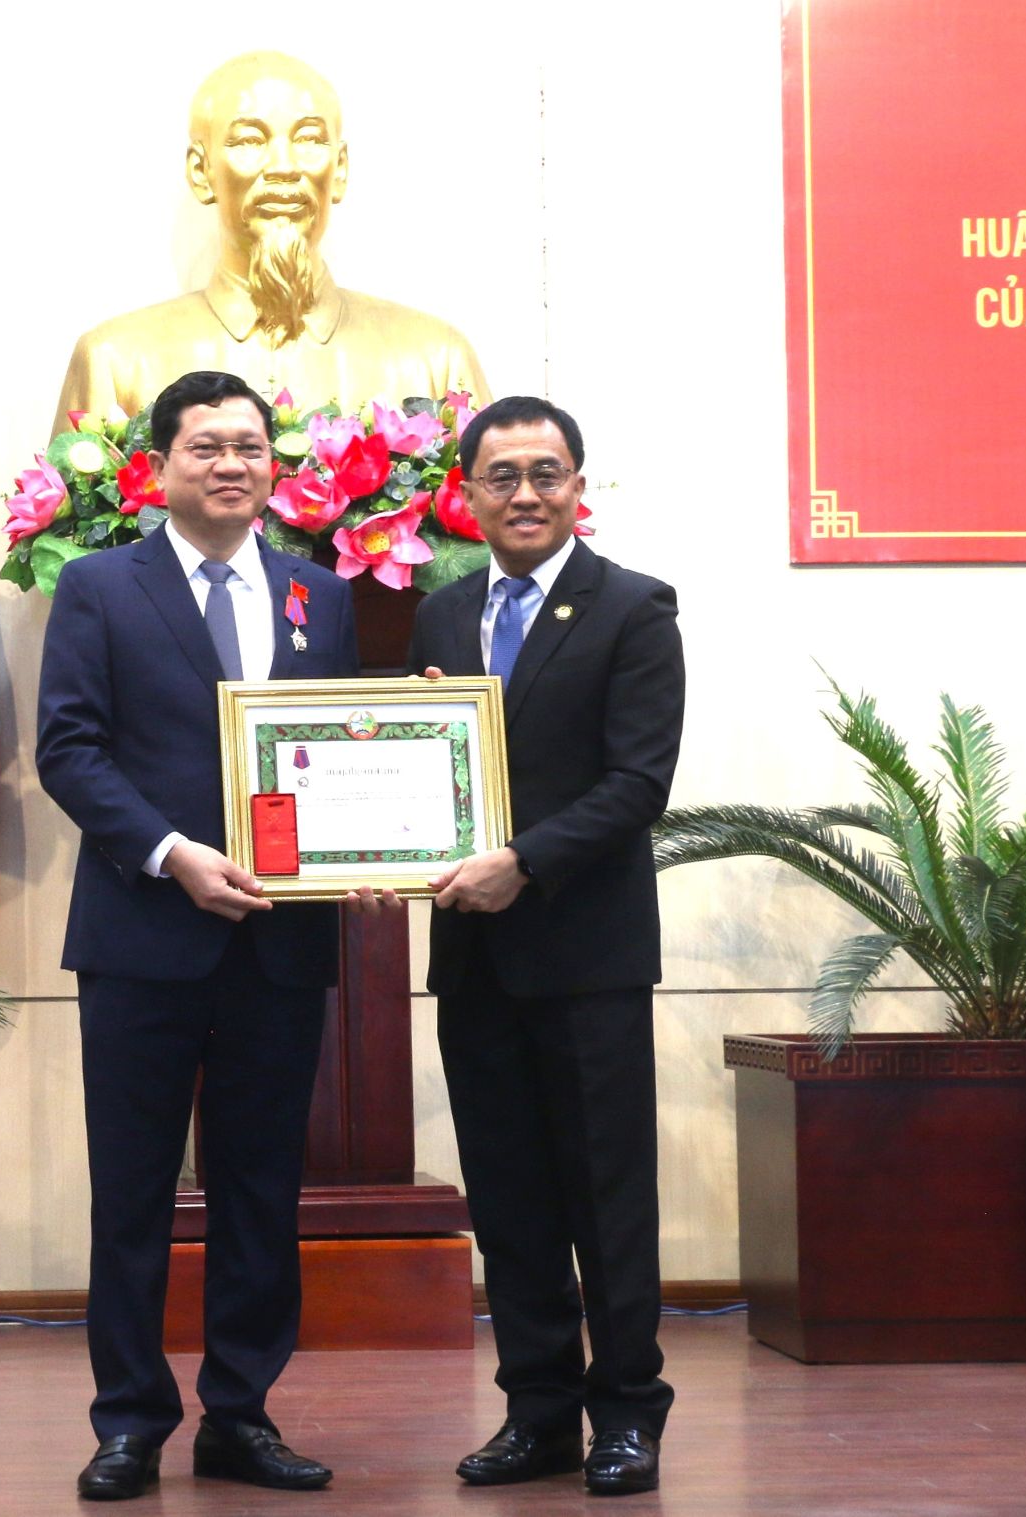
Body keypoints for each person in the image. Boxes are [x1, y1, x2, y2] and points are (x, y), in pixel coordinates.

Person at [35, 370, 359, 1501]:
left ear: (274, 466)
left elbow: (335, 748)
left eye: (250, 446)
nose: (231, 463)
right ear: (160, 466)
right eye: (205, 445)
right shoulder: (97, 587)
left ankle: (241, 1412)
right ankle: (127, 1419)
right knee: (131, 1190)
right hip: (142, 934)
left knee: (260, 1186)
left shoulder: (321, 592)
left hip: (277, 942)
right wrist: (175, 853)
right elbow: (68, 750)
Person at [406, 395, 685, 1496]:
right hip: (473, 954)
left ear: (578, 486)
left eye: (545, 472)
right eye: (501, 474)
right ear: (465, 492)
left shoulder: (630, 609)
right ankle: (537, 1410)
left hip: (586, 952)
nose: (524, 492)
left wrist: (521, 857)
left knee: (605, 1195)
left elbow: (636, 782)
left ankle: (626, 1411)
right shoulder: (440, 614)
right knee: (508, 1193)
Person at [53, 51, 489, 431]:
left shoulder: (435, 360)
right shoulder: (116, 362)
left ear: (339, 170)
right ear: (201, 172)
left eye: (308, 140)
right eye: (249, 140)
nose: (283, 166)